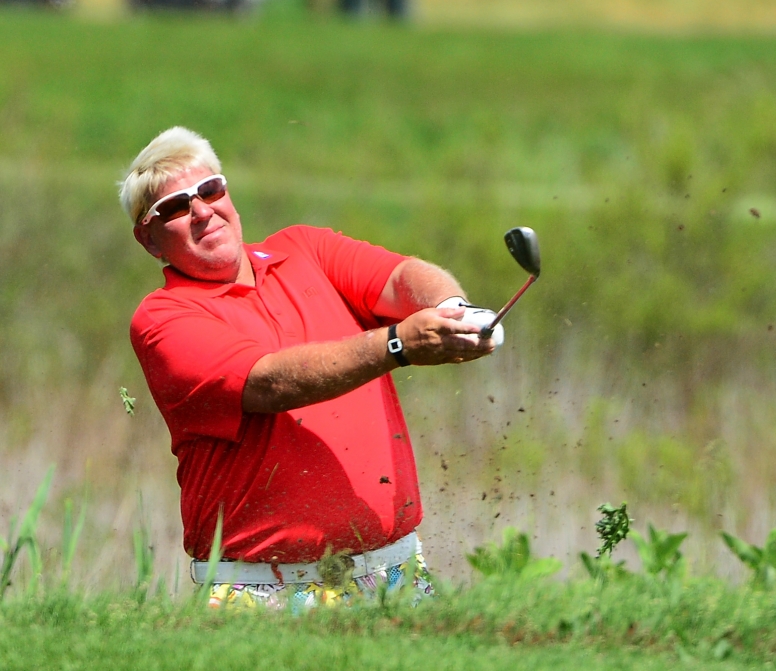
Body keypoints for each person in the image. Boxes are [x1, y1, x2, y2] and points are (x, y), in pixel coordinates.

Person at [120, 126, 502, 609]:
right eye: (175, 207)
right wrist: (397, 345)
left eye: (210, 190)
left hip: (394, 573)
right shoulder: (162, 318)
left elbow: (403, 278)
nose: (202, 211)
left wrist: (453, 310)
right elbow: (270, 382)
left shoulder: (304, 248)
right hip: (262, 589)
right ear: (149, 239)